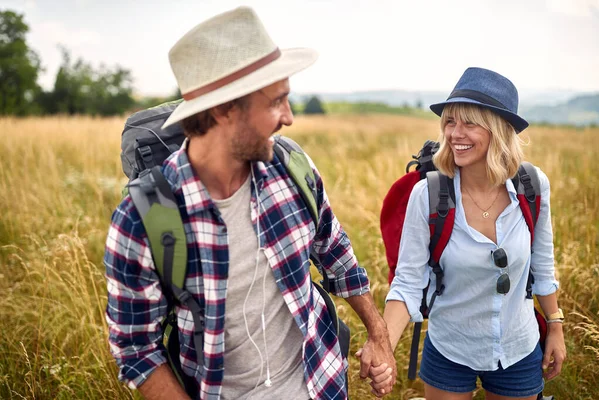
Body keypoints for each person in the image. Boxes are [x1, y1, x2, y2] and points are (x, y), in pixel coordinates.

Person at [103, 6, 395, 400]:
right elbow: (136, 348)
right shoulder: (143, 217)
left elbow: (336, 254)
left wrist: (379, 337)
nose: (289, 117)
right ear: (224, 109)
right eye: (276, 102)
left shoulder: (292, 169)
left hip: (322, 385)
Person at [380, 67, 566, 400]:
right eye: (450, 122)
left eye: (469, 122)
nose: (454, 134)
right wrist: (383, 346)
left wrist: (555, 326)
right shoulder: (427, 196)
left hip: (518, 346)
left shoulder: (532, 187)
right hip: (450, 347)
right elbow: (408, 281)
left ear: (498, 130)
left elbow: (542, 263)